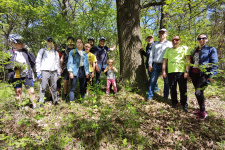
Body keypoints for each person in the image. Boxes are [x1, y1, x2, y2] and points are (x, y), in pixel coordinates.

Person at [190, 33, 218, 120]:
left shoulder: (211, 49)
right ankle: (201, 109)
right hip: (194, 74)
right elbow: (192, 62)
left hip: (204, 74)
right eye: (199, 38)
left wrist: (211, 75)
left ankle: (203, 113)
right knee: (199, 93)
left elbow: (214, 63)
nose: (201, 40)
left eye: (203, 38)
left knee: (198, 92)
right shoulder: (195, 51)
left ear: (207, 39)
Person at [6, 34, 37, 109]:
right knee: (18, 92)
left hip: (27, 74)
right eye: (20, 43)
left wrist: (29, 51)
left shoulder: (26, 51)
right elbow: (5, 64)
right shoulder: (9, 52)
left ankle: (35, 106)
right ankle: (19, 107)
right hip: (16, 75)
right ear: (14, 44)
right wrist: (14, 66)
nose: (22, 44)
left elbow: (33, 61)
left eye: (22, 43)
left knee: (31, 91)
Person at [162, 36, 191, 112]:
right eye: (173, 40)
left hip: (181, 72)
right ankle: (174, 102)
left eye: (177, 40)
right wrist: (164, 71)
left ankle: (184, 103)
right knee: (172, 88)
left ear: (179, 41)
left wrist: (187, 71)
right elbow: (164, 61)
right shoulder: (168, 50)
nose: (175, 41)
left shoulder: (184, 48)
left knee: (183, 89)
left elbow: (188, 61)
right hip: (171, 72)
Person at [148, 28, 172, 100]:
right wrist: (150, 64)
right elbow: (151, 55)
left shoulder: (170, 44)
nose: (161, 34)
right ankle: (150, 96)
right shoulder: (155, 44)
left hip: (166, 65)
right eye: (160, 33)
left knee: (167, 82)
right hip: (156, 65)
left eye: (163, 33)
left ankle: (165, 97)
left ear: (166, 34)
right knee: (152, 81)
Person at [36, 37, 61, 106]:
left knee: (54, 87)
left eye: (51, 41)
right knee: (43, 87)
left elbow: (57, 63)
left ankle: (55, 101)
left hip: (54, 72)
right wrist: (38, 72)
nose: (50, 42)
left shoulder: (55, 53)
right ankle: (41, 102)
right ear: (46, 42)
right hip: (44, 71)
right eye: (48, 41)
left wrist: (59, 73)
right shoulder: (42, 51)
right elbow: (38, 61)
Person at [61, 36, 75, 101]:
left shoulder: (75, 49)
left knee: (72, 82)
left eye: (72, 40)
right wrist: (61, 67)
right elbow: (62, 58)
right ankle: (65, 95)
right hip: (65, 67)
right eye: (69, 40)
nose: (70, 41)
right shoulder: (65, 49)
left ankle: (71, 96)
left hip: (73, 67)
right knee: (66, 82)